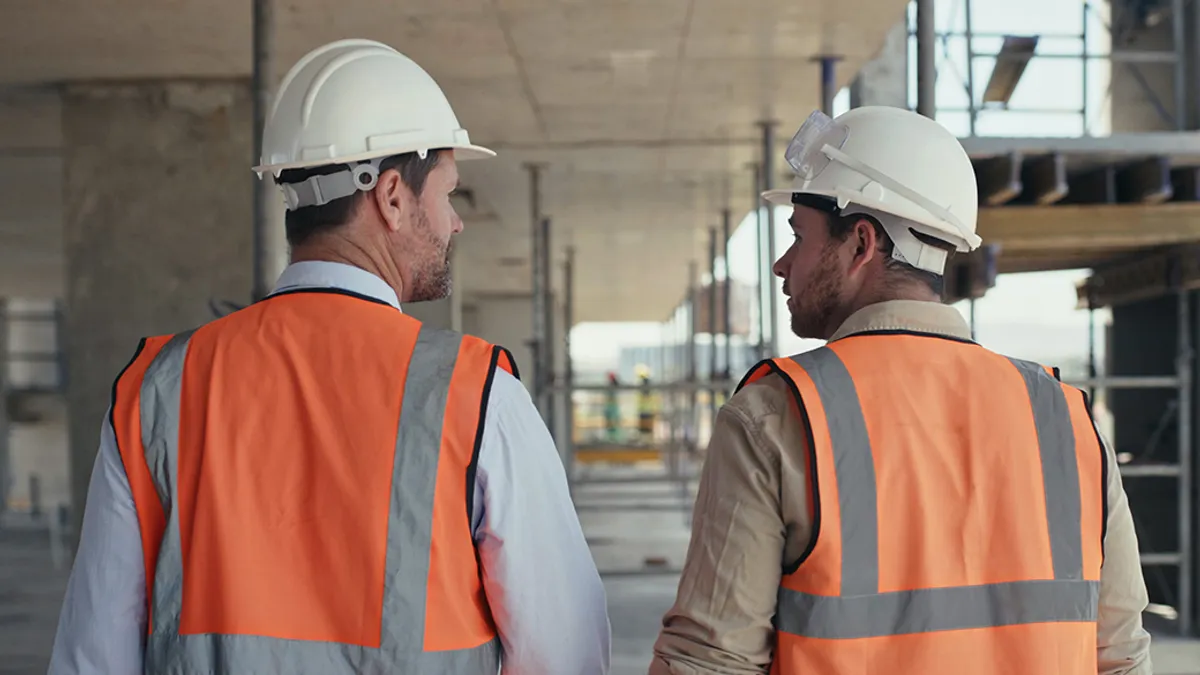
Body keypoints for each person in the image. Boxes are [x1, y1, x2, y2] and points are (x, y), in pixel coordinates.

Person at [48, 39, 611, 675]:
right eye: (448, 193)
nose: (456, 223)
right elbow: (564, 654)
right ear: (393, 196)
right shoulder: (475, 392)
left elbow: (92, 655)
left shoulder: (161, 390)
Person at [649, 106, 1151, 674]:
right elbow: (1119, 654)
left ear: (861, 243)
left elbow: (712, 661)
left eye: (798, 236)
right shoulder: (1066, 420)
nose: (781, 264)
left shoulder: (779, 414)